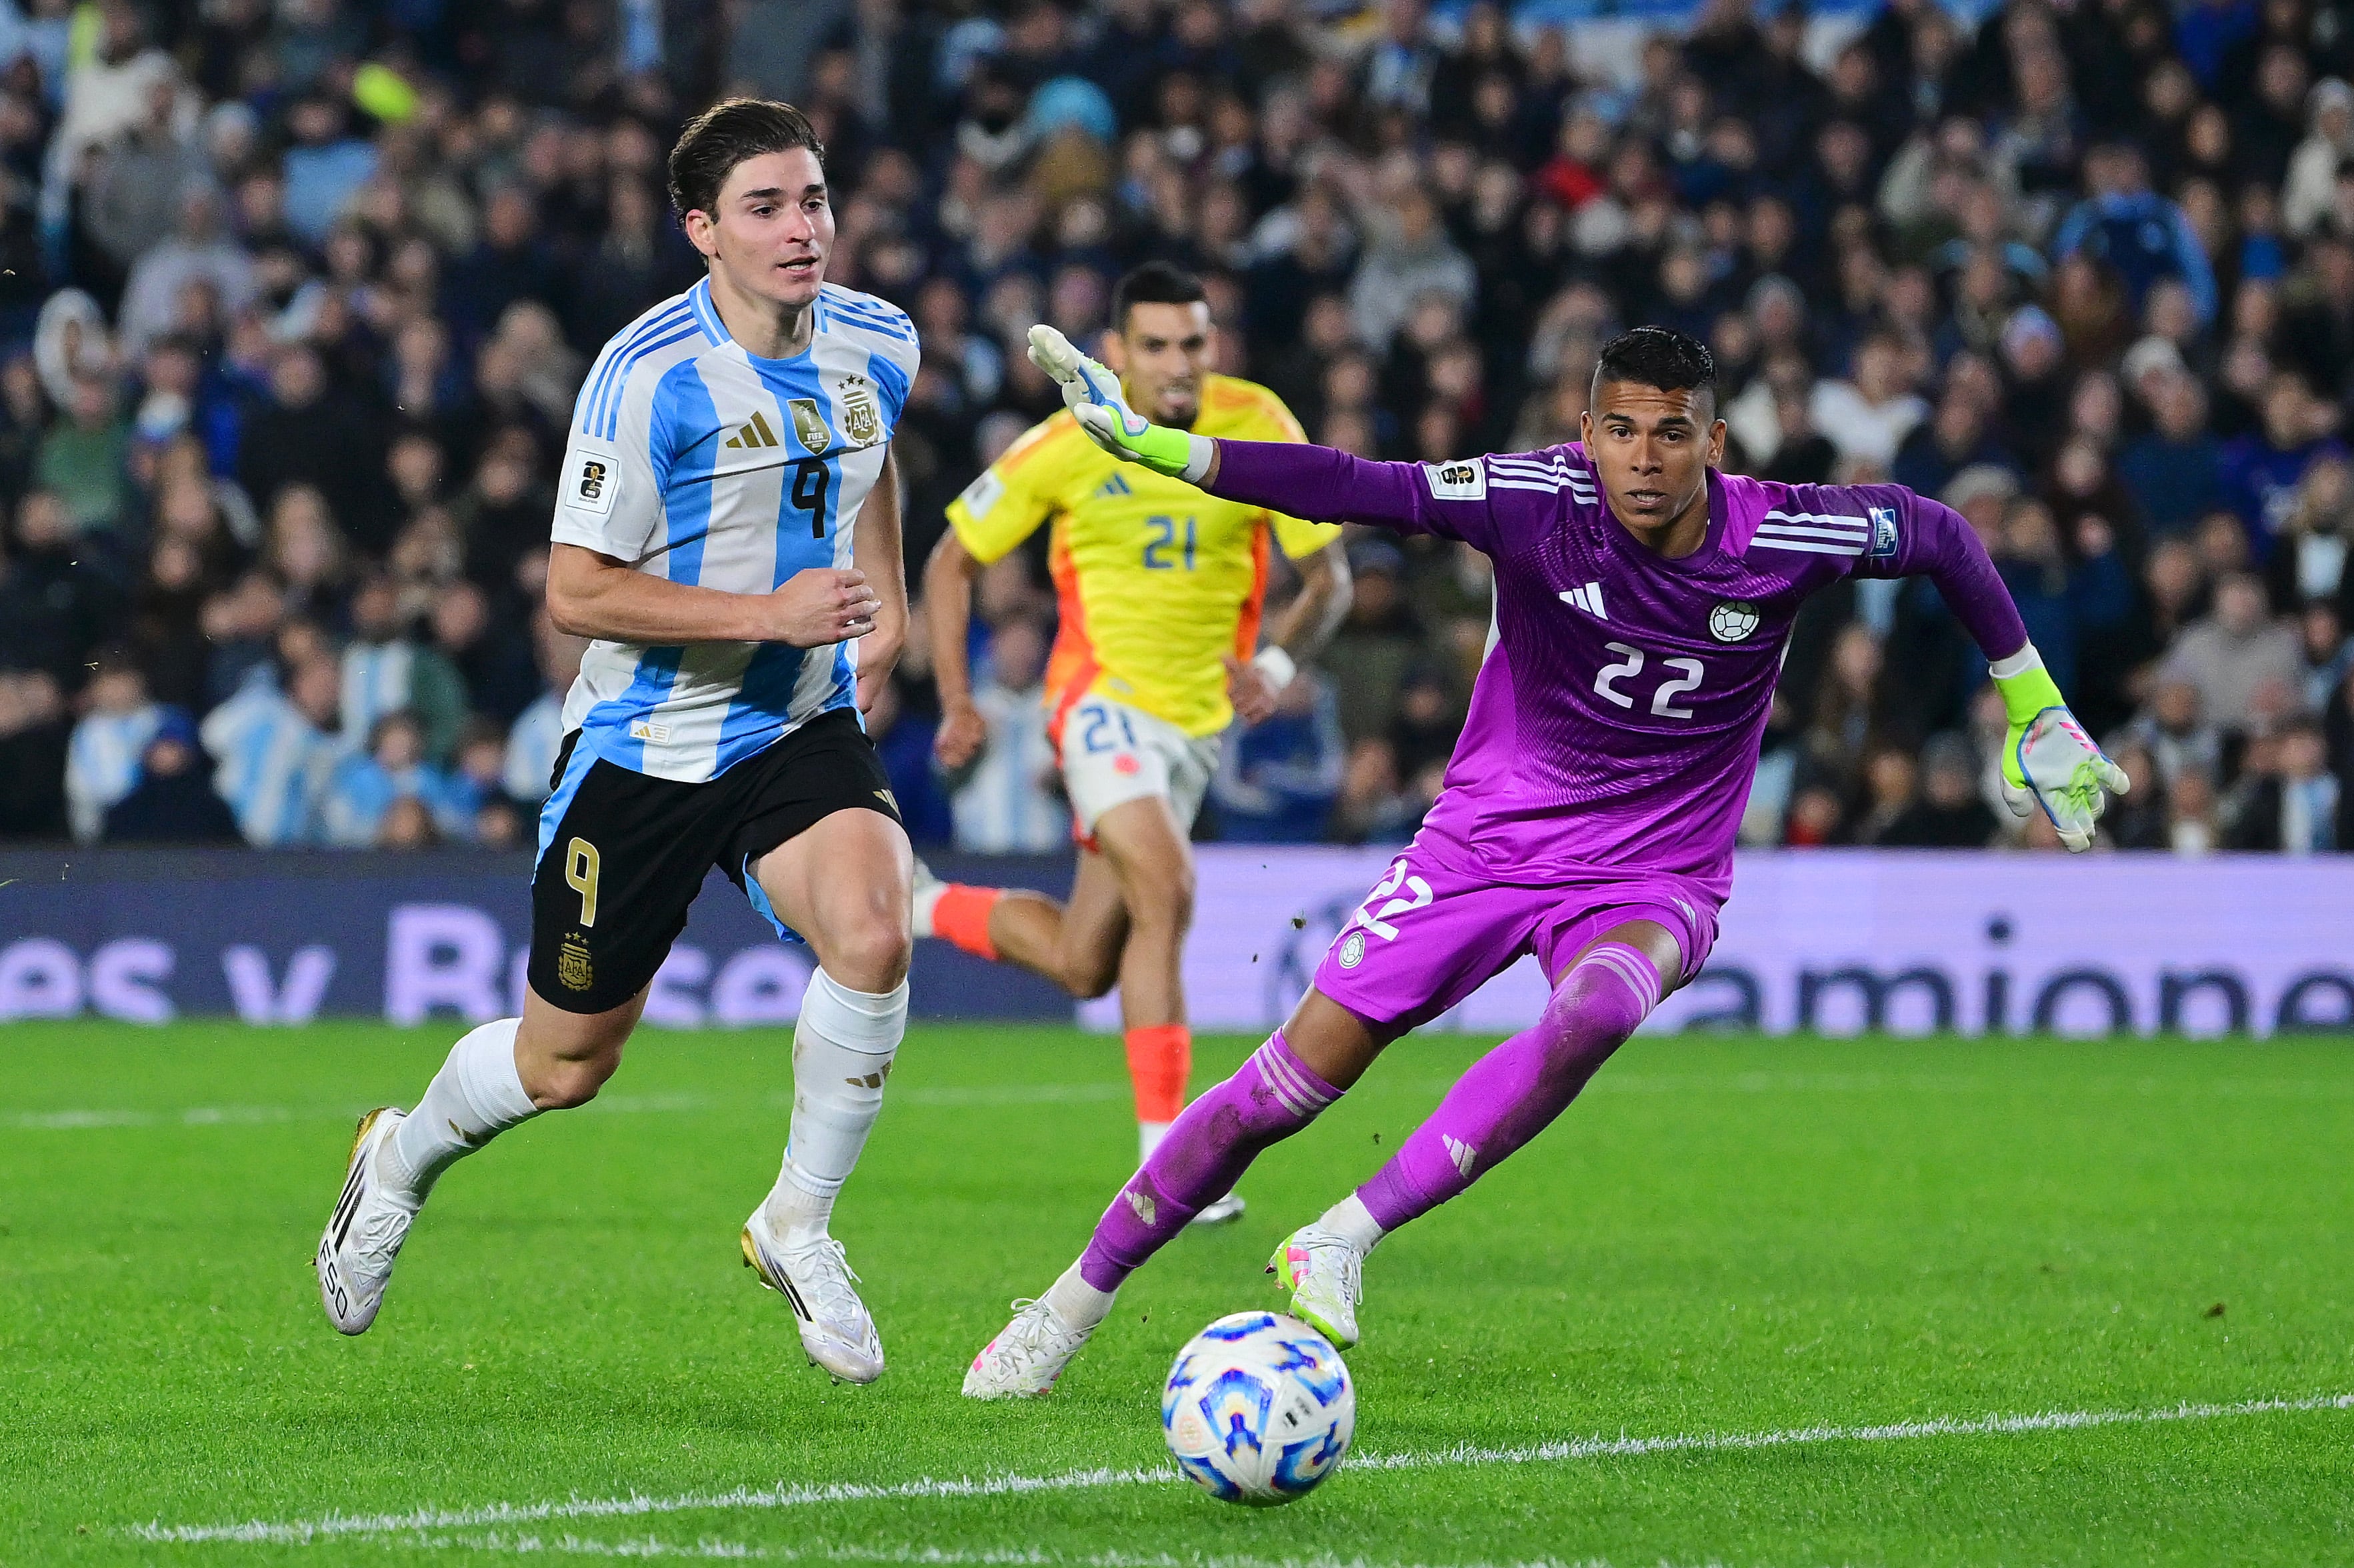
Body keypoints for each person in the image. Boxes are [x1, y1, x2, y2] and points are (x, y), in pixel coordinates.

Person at [961, 323, 2128, 1397]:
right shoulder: (1533, 498)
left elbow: (1943, 535)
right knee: (1279, 1091)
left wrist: (2033, 700)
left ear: (1714, 442)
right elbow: (1354, 486)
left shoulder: (1785, 531)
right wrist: (1159, 446)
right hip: (1484, 846)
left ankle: (1341, 1237)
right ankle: (1068, 1306)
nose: (1646, 457)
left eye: (1674, 432)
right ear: (1587, 435)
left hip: (1655, 872)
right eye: (1620, 429)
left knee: (1598, 1012)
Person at [315, 101, 922, 1385]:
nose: (801, 227)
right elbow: (576, 592)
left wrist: (891, 590)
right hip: (646, 745)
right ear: (702, 230)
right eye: (765, 207)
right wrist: (765, 609)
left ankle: (797, 1225)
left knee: (875, 932)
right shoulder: (647, 378)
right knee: (565, 1063)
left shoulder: (880, 340)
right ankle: (401, 1151)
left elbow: (875, 465)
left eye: (812, 198)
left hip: (795, 718)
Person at [916, 261, 1353, 1207]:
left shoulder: (1261, 421)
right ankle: (1171, 1159)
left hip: (1195, 732)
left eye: (1193, 342)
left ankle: (922, 905)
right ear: (1116, 354)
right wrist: (958, 697)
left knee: (1085, 962)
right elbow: (951, 561)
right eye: (1154, 346)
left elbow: (1331, 581)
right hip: (1099, 703)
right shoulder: (1071, 440)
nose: (1177, 364)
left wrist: (1274, 668)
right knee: (1170, 886)